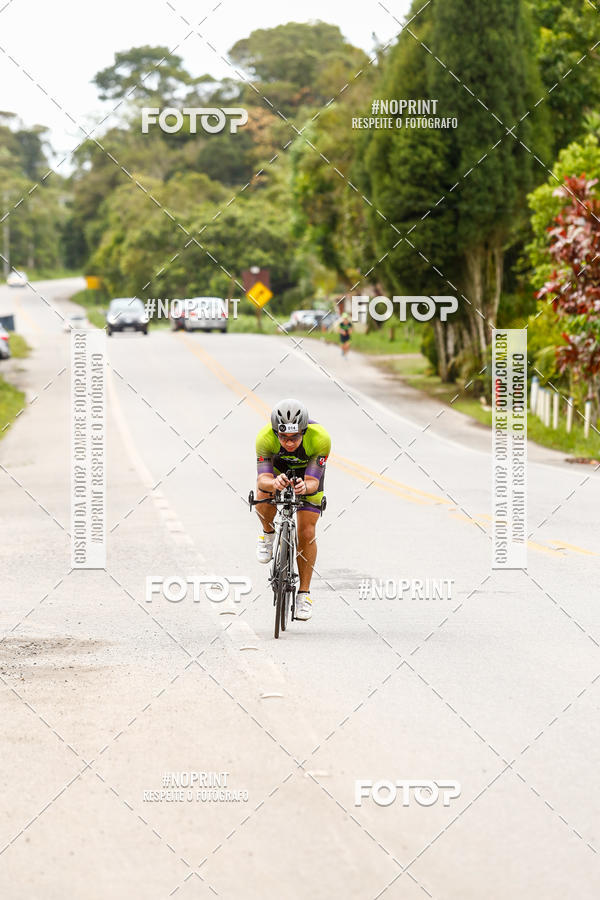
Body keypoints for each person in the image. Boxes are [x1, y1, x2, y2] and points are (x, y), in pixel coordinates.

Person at [254, 399, 331, 621]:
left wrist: (305, 486)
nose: (289, 442)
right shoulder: (264, 438)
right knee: (262, 496)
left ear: (304, 431)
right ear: (275, 432)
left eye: (295, 437)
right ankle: (268, 534)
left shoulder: (320, 439)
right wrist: (274, 483)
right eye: (283, 437)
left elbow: (313, 483)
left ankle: (304, 595)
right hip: (277, 470)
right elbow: (262, 479)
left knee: (306, 532)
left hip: (307, 474)